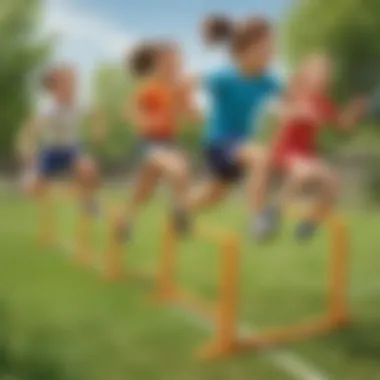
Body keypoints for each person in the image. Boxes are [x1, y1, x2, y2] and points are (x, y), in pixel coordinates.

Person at [185, 14, 280, 239]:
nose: (272, 54)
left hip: (240, 144)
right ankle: (257, 219)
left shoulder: (268, 80)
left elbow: (288, 100)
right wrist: (191, 111)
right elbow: (188, 83)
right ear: (245, 51)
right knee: (261, 156)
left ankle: (182, 208)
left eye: (273, 48)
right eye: (266, 48)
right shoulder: (224, 77)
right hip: (219, 142)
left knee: (213, 195)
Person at [270, 53, 367, 239]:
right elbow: (280, 111)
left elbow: (342, 125)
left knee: (333, 183)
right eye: (318, 73)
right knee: (305, 173)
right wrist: (300, 112)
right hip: (286, 150)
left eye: (326, 74)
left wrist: (354, 111)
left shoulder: (324, 102)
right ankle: (273, 211)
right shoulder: (296, 94)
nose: (323, 78)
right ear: (306, 75)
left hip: (306, 154)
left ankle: (308, 224)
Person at [115, 40, 197, 240]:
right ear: (158, 64)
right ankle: (180, 215)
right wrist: (147, 121)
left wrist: (187, 97)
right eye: (168, 62)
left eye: (176, 62)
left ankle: (124, 221)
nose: (174, 66)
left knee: (144, 190)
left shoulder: (180, 89)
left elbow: (191, 118)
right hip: (149, 142)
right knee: (179, 170)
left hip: (169, 141)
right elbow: (128, 111)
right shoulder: (150, 87)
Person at [17, 64, 102, 216]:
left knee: (89, 168)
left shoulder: (79, 102)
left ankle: (88, 201)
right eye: (67, 83)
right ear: (55, 88)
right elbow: (28, 132)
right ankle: (32, 179)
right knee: (30, 189)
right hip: (49, 151)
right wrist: (27, 153)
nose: (72, 87)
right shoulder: (46, 108)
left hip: (71, 149)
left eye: (73, 83)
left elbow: (97, 113)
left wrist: (98, 130)